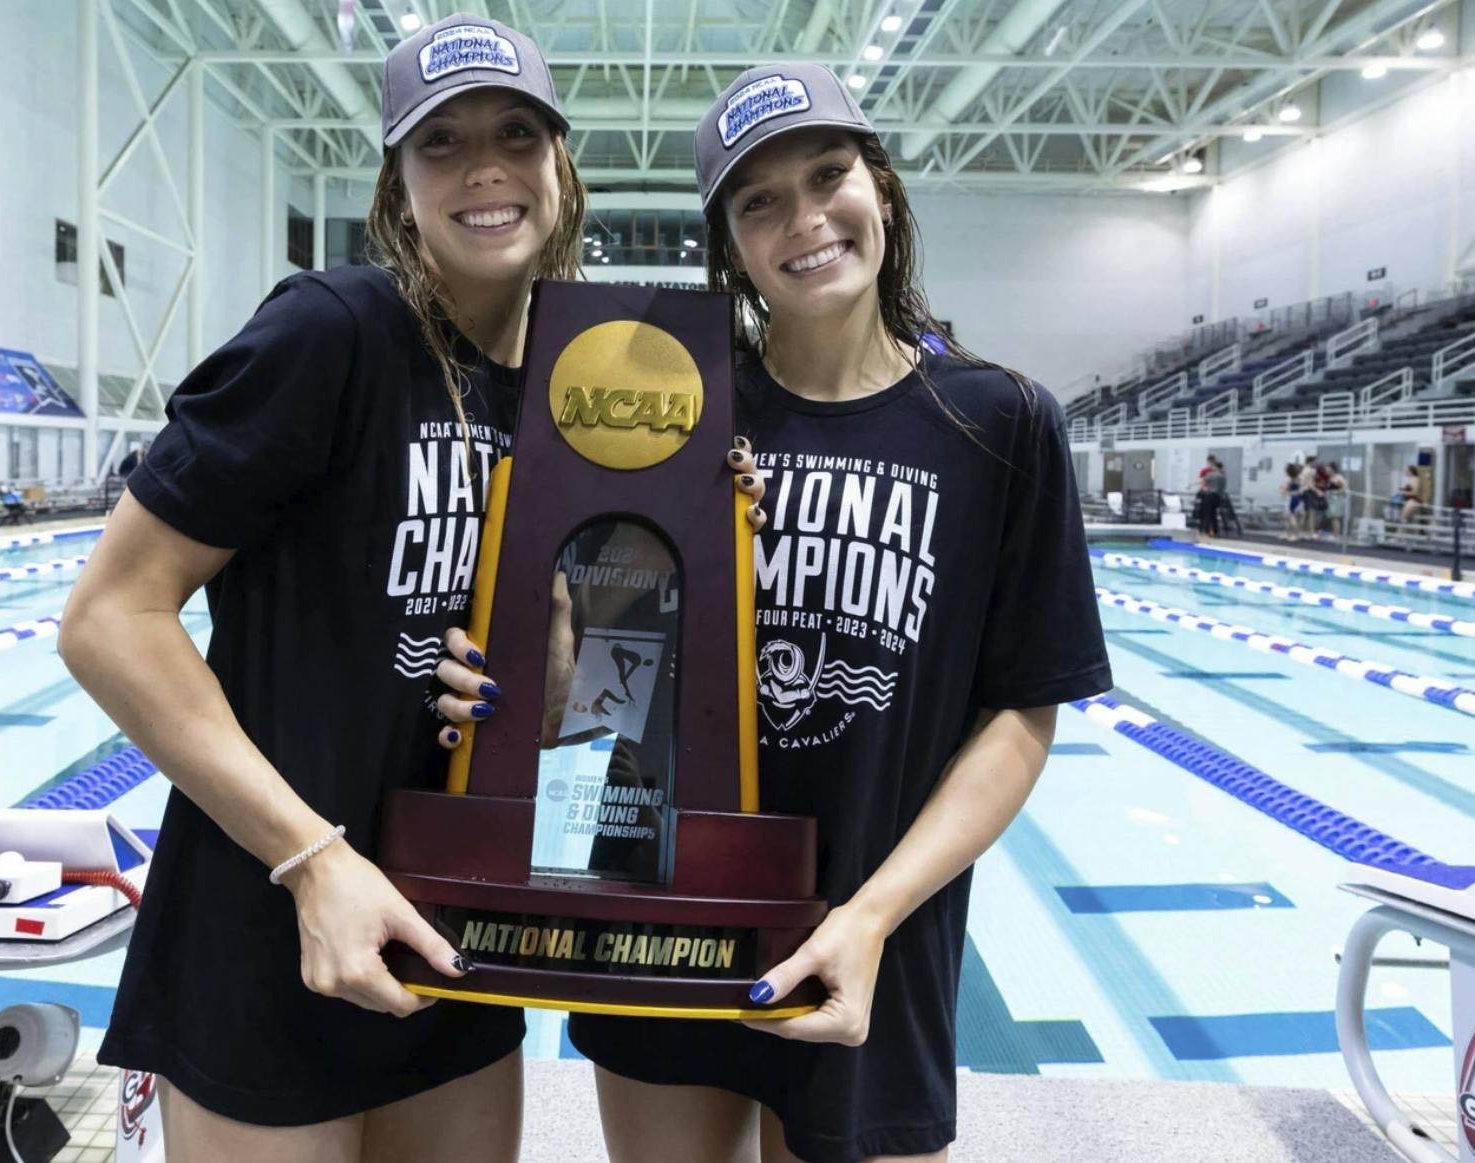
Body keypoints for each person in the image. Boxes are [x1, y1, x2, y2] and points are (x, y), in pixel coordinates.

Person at [435, 63, 1111, 1163]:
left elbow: (1021, 713)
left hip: (874, 934)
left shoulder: (999, 422)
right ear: (730, 245)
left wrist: (872, 916)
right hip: (669, 913)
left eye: (827, 174)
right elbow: (604, 669)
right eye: (759, 201)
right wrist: (524, 672)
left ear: (880, 186)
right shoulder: (676, 409)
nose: (803, 220)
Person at [58, 16, 586, 1160]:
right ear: (397, 187)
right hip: (271, 915)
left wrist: (555, 687)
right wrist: (312, 858)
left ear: (560, 167)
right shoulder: (333, 331)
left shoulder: (565, 390)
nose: (483, 167)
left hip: (456, 917)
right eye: (440, 143)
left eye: (514, 134)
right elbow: (109, 617)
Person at [1280, 462, 1305, 540]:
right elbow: (1301, 490)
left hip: (1291, 499)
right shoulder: (1299, 478)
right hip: (1298, 499)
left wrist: (1282, 490)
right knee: (1293, 517)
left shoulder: (1289, 479)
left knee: (1291, 517)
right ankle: (1291, 534)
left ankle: (1294, 535)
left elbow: (1284, 491)